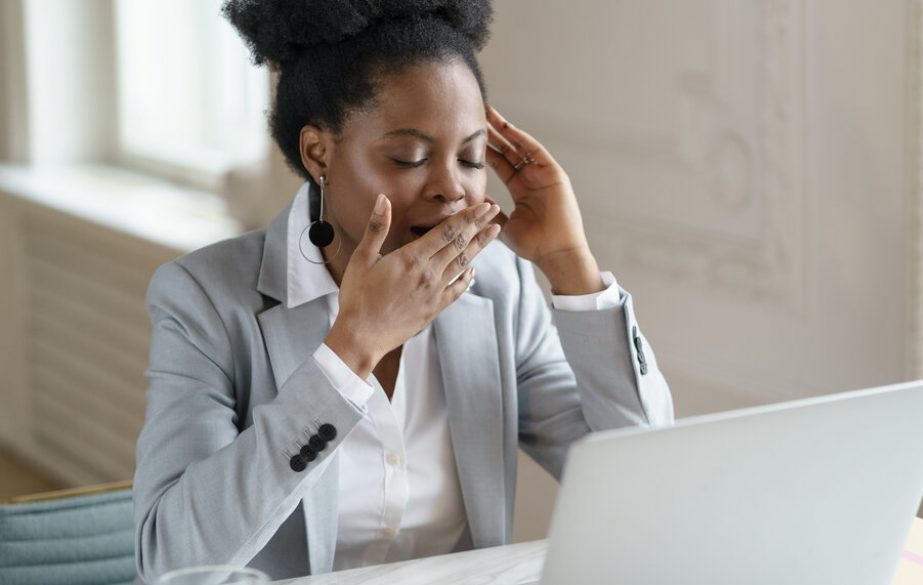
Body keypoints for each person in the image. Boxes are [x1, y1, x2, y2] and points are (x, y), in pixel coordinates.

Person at [132, 0, 673, 581]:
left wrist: (571, 266)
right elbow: (171, 556)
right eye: (409, 157)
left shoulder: (500, 289)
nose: (451, 189)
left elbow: (649, 484)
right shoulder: (205, 300)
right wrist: (349, 353)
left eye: (470, 157)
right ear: (320, 152)